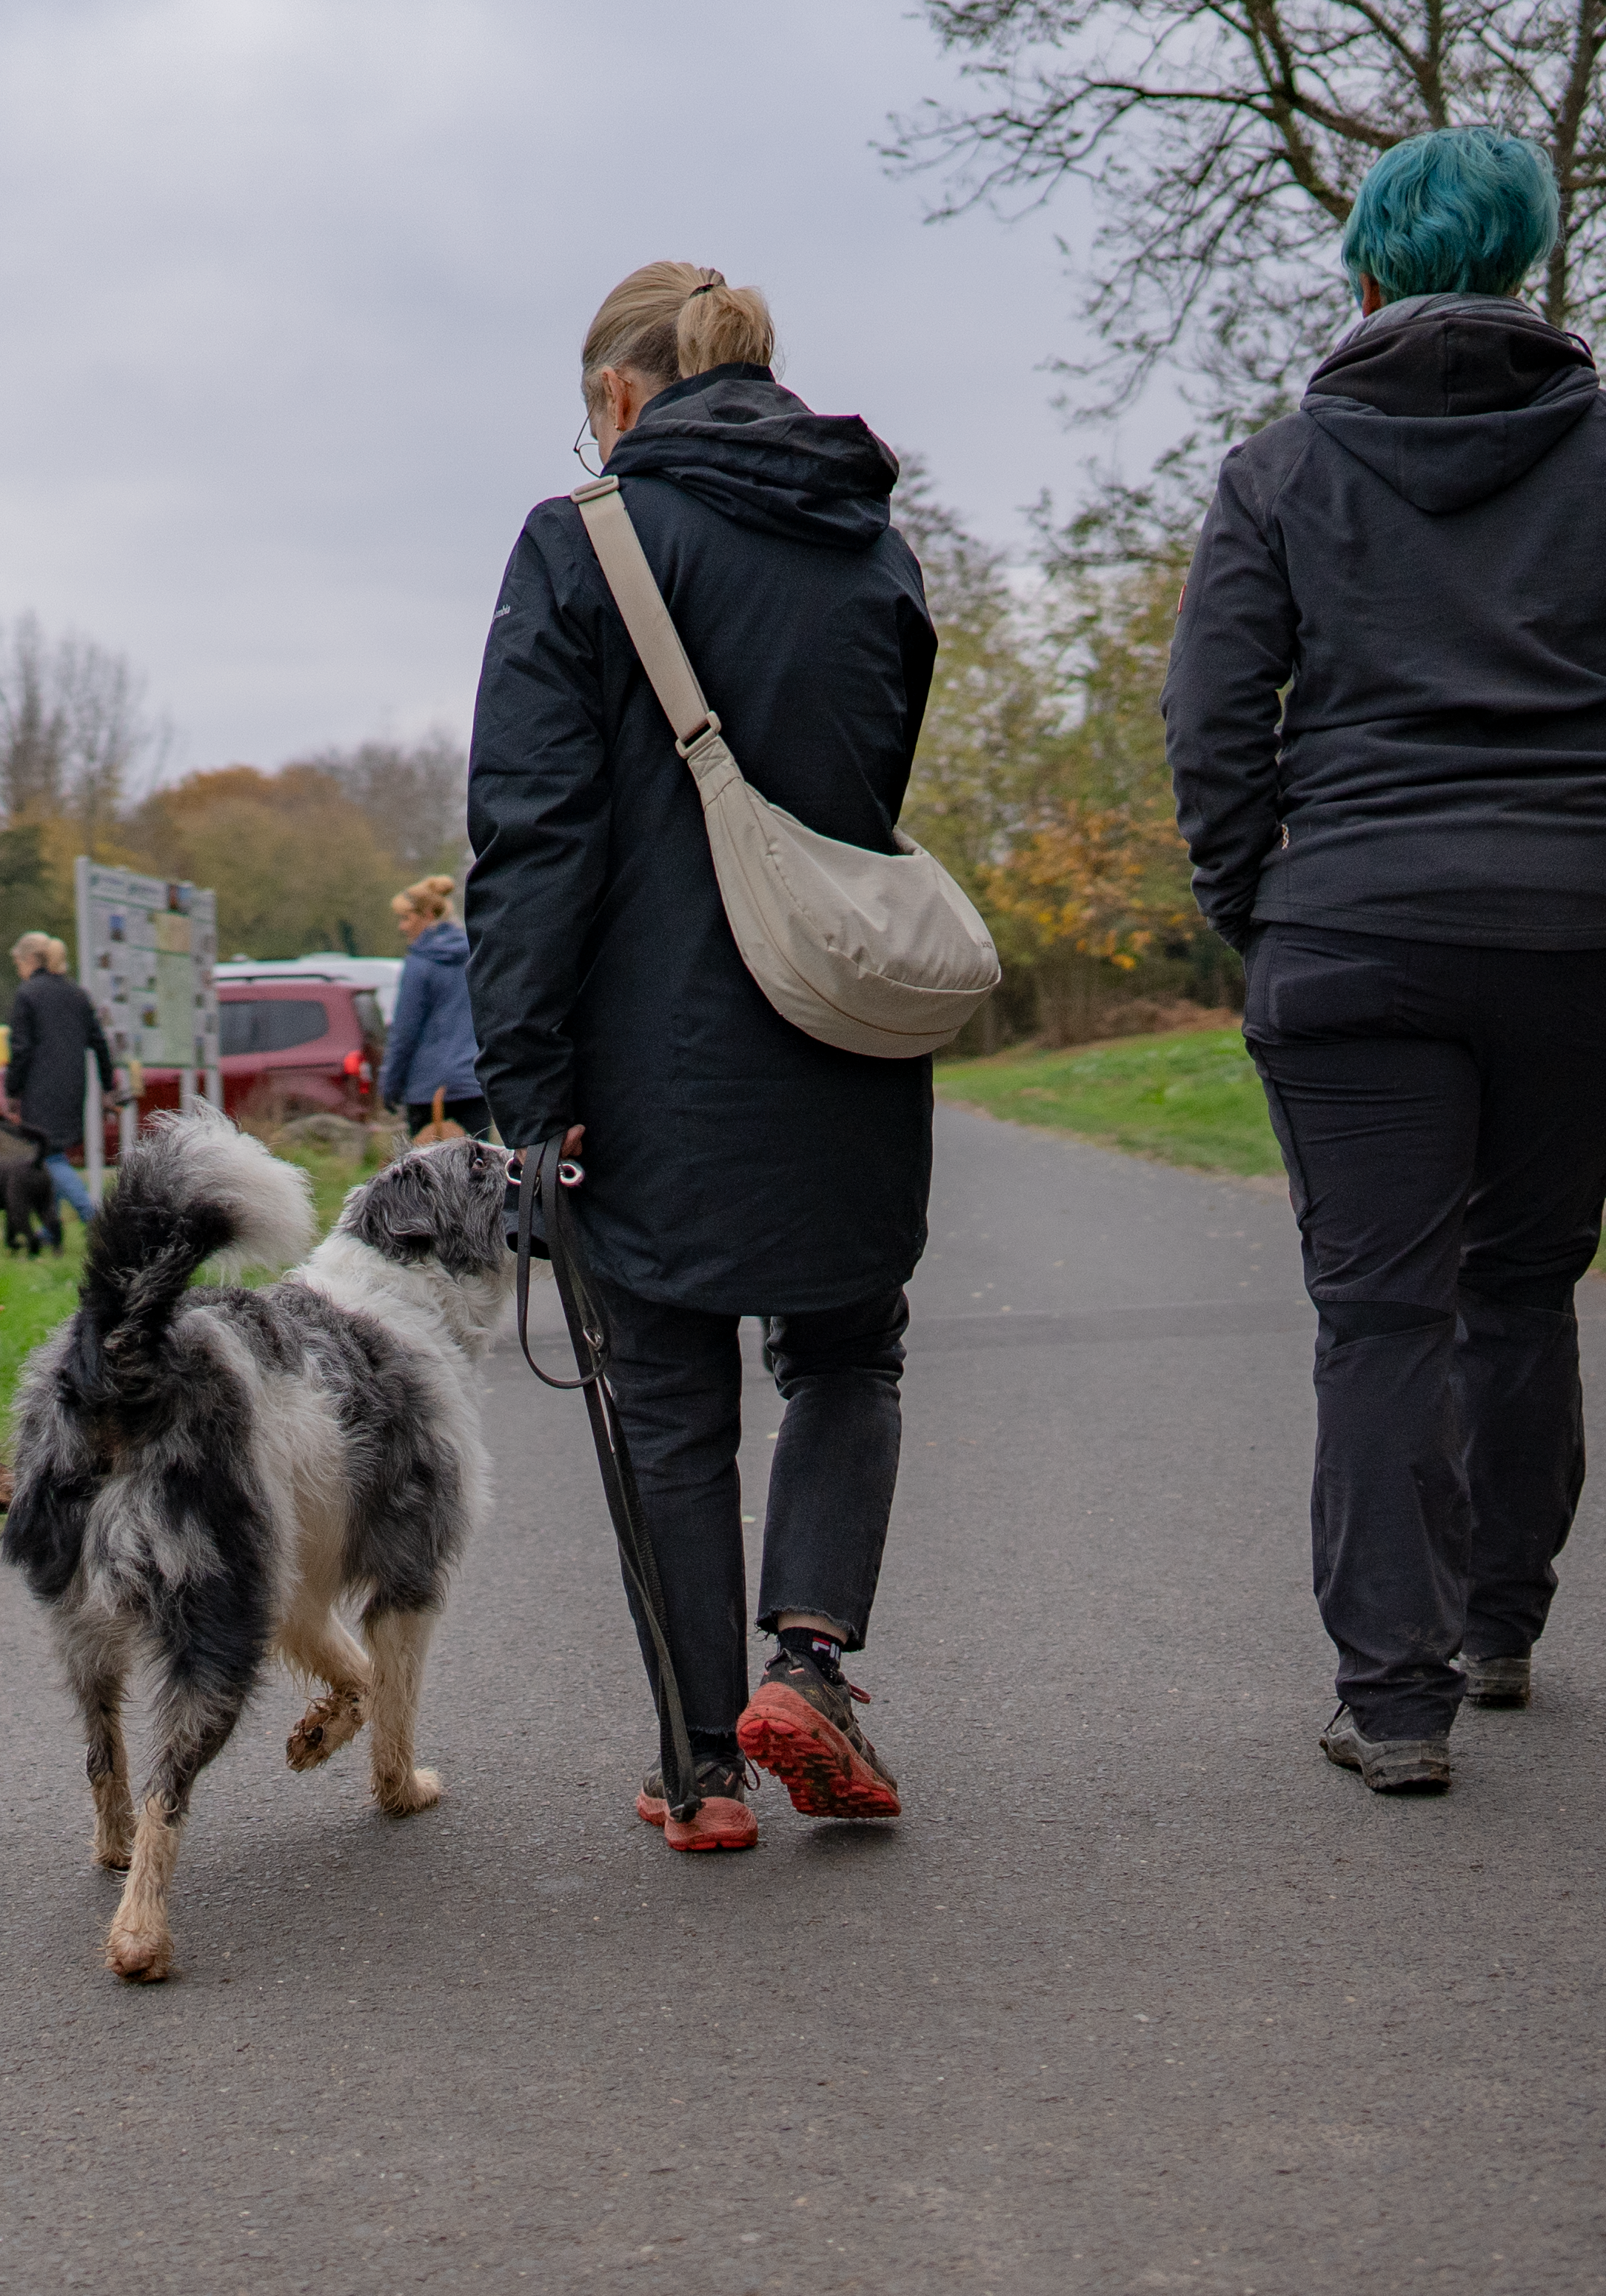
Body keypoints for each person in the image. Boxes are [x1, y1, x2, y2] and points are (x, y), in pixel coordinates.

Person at [1164, 127, 1606, 1795]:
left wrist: (1258, 896)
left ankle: (1395, 1698)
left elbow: (1215, 719)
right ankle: (1500, 1618)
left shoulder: (1282, 470)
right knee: (1520, 1276)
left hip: (1356, 922)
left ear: (1365, 271)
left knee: (1378, 1310)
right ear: (1525, 268)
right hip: (1593, 923)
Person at [466, 262, 937, 1852]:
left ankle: (702, 1771)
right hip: (843, 1027)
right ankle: (807, 1662)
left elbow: (533, 839)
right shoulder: (873, 543)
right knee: (847, 1351)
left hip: (645, 1054)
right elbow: (869, 786)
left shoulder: (582, 541)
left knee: (668, 1400)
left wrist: (527, 1090)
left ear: (616, 396)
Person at [1, 932, 117, 1220]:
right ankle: (50, 1230)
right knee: (53, 1154)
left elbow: (22, 1049)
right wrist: (107, 1086)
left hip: (40, 1089)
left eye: (17, 961)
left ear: (30, 959)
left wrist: (12, 1091)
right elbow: (100, 1044)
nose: (18, 968)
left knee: (49, 1156)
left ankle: (93, 1219)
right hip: (73, 1087)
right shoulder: (78, 994)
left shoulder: (27, 994)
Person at [379, 874, 488, 1140]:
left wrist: (390, 1087)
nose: (402, 927)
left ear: (427, 915)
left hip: (426, 1090)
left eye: (406, 918)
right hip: (472, 1085)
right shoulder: (476, 954)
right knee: (478, 1172)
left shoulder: (420, 964)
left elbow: (405, 1033)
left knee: (428, 1177)